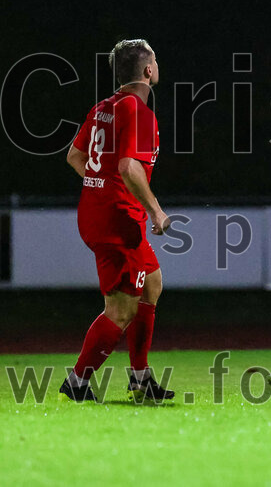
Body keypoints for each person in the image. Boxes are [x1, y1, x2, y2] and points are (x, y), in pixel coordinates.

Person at [60, 39, 173, 403]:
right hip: (118, 220)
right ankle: (76, 383)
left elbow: (75, 156)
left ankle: (140, 379)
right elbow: (128, 167)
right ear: (148, 70)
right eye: (155, 61)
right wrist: (155, 210)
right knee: (121, 310)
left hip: (98, 213)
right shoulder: (138, 111)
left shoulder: (103, 108)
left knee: (151, 284)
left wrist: (100, 187)